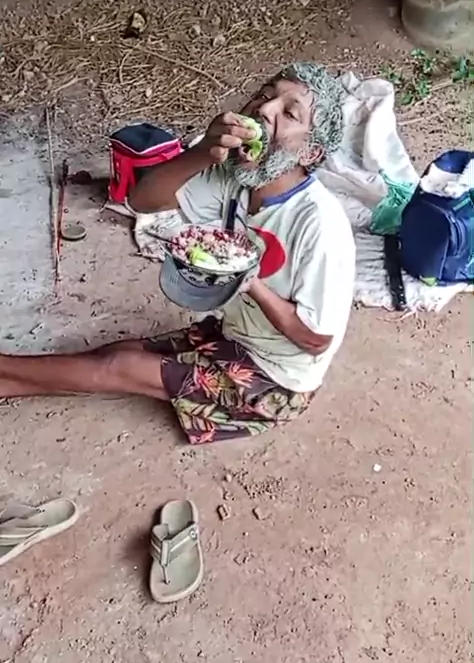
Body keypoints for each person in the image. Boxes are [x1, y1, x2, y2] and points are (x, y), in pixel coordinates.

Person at [0, 62, 355, 445]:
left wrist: (248, 281)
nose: (264, 110)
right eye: (265, 95)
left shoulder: (318, 223)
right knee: (118, 352)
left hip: (275, 381)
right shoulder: (234, 177)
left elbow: (316, 339)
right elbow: (142, 201)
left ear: (310, 151)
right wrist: (202, 152)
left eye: (289, 113)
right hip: (234, 336)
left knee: (117, 365)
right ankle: (10, 383)